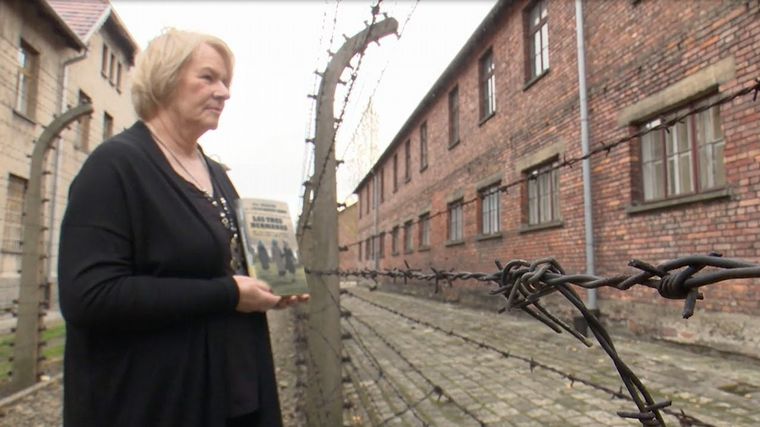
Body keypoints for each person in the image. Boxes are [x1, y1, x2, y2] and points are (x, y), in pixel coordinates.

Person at [58, 29, 307, 427]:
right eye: (208, 78)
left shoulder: (215, 173)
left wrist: (268, 288)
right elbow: (89, 296)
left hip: (231, 392)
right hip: (155, 402)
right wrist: (227, 294)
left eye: (225, 81)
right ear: (166, 79)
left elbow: (221, 267)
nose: (224, 92)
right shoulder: (115, 166)